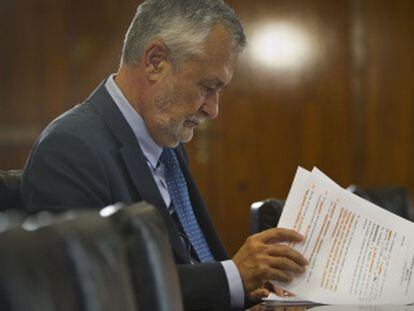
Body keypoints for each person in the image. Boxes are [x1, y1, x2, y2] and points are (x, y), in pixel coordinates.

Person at [22, 0, 308, 310]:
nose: (213, 110)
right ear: (155, 61)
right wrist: (235, 277)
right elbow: (97, 291)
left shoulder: (165, 142)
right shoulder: (70, 149)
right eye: (207, 86)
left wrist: (252, 293)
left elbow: (193, 261)